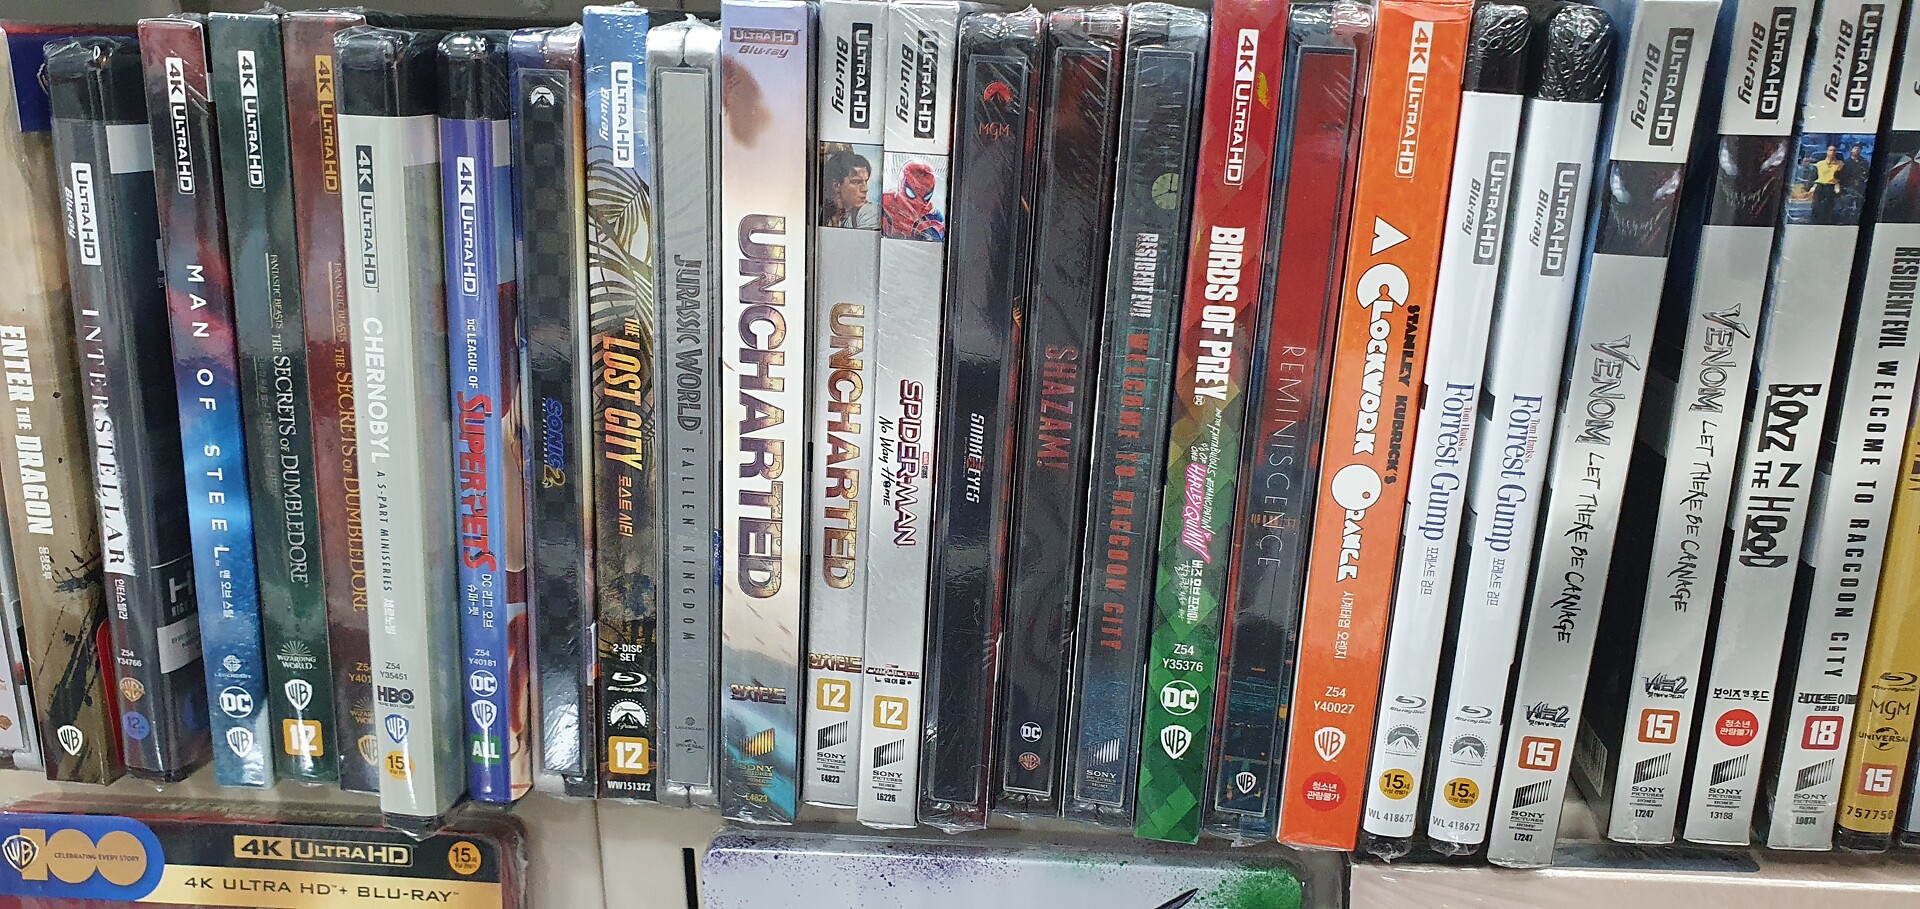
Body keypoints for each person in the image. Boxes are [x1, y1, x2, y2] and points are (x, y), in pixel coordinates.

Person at [882, 160, 946, 241]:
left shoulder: (933, 218)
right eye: (911, 193)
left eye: (926, 196)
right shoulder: (883, 205)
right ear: (901, 185)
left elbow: (938, 245)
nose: (918, 202)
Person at [820, 149, 880, 229]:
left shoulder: (869, 212)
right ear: (837, 185)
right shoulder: (822, 214)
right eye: (857, 182)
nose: (865, 189)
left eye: (866, 181)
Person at [1811, 144, 1845, 222]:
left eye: (1834, 150)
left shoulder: (1840, 164)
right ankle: (1816, 221)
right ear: (1827, 151)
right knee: (1817, 205)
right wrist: (1812, 187)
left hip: (1832, 187)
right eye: (1830, 150)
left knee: (1829, 206)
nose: (1832, 152)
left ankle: (1828, 221)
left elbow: (1842, 177)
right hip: (1820, 186)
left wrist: (1839, 186)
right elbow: (1814, 177)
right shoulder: (1819, 164)